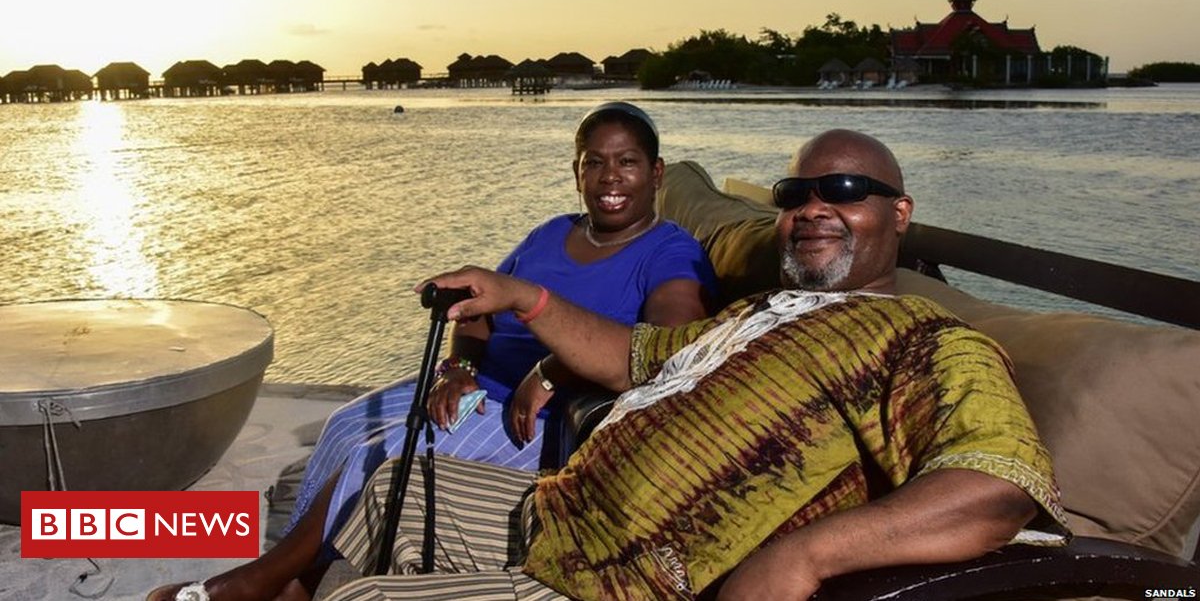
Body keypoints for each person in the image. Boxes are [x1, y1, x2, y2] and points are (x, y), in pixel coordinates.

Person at [320, 129, 1070, 601]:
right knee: (391, 486)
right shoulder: (763, 312)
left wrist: (803, 558)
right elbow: (631, 355)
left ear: (899, 214)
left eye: (844, 191)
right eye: (796, 194)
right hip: (565, 517)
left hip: (628, 579)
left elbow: (997, 484)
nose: (814, 208)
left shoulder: (920, 338)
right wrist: (523, 296)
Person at [147, 102, 717, 601]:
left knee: (385, 450)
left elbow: (667, 343)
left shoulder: (670, 251)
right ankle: (299, 579)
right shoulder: (553, 232)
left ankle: (254, 583)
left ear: (656, 173)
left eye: (627, 162)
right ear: (576, 173)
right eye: (594, 162)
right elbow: (480, 307)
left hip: (540, 417)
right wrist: (460, 368)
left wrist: (554, 370)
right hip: (480, 388)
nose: (609, 176)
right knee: (349, 422)